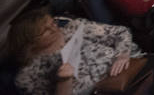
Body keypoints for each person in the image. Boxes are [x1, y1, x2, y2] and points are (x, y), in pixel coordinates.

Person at [8, 7, 139, 95]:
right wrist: (64, 81)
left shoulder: (73, 27)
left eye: (52, 23)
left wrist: (123, 54)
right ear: (30, 42)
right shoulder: (27, 76)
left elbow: (120, 32)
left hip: (128, 69)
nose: (54, 28)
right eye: (45, 30)